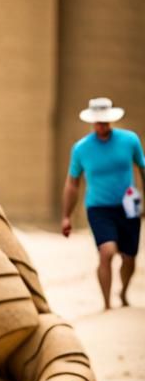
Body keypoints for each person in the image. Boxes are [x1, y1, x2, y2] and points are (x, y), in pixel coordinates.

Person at [62, 97, 145, 309]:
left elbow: (142, 169)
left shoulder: (130, 140)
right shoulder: (81, 149)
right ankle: (107, 304)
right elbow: (73, 183)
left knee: (129, 257)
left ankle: (123, 292)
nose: (102, 125)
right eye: (98, 122)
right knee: (107, 252)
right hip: (98, 207)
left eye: (105, 121)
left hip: (128, 204)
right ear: (92, 122)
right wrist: (66, 216)